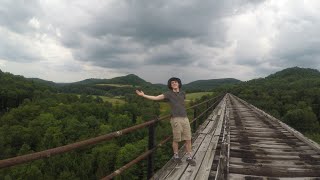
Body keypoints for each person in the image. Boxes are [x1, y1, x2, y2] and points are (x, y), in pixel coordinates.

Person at [136, 77, 196, 166]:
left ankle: (189, 157)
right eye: (172, 83)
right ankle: (176, 156)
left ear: (179, 84)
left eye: (175, 82)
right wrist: (144, 95)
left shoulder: (183, 93)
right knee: (176, 139)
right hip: (175, 119)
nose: (174, 84)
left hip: (185, 118)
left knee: (188, 138)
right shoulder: (168, 94)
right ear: (170, 85)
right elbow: (156, 98)